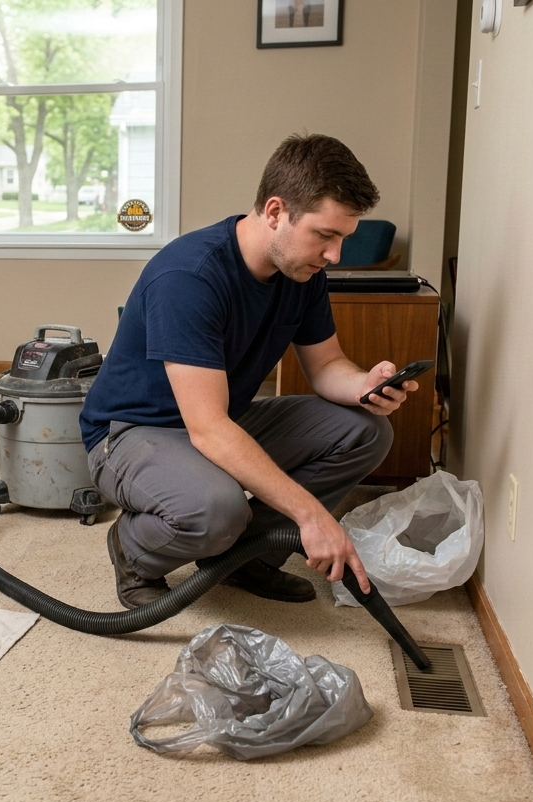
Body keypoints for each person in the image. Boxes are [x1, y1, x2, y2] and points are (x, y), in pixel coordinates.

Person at [79, 133, 418, 609]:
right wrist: (312, 516)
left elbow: (326, 367)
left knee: (367, 430)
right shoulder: (190, 277)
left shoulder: (303, 273)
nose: (334, 255)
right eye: (325, 235)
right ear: (276, 211)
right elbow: (209, 429)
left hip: (217, 420)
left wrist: (363, 385)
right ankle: (133, 550)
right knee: (217, 511)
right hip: (135, 432)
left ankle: (247, 556)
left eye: (343, 238)